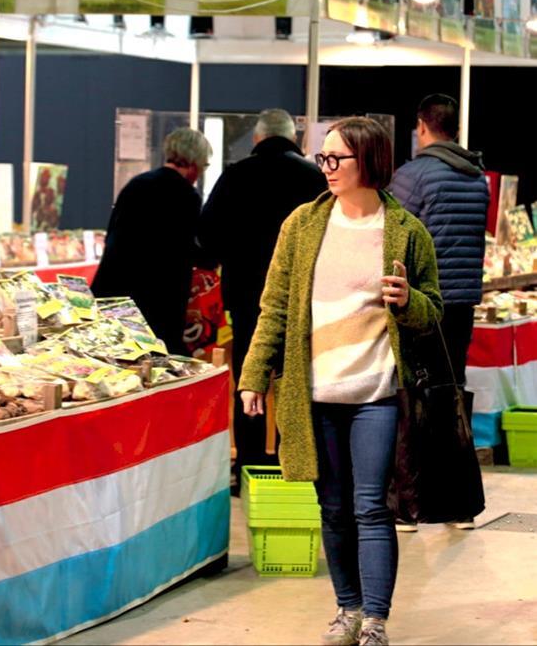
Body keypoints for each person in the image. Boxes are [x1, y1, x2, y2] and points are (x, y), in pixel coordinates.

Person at [238, 117, 442, 646]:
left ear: (369, 161)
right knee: (331, 506)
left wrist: (408, 302)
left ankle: (375, 619)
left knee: (371, 505)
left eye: (336, 159)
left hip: (376, 392)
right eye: (322, 158)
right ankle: (346, 609)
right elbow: (275, 306)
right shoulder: (302, 225)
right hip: (314, 394)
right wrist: (254, 374)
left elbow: (433, 309)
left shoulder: (406, 231)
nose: (325, 168)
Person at [198, 109, 326, 489]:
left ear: (257, 139)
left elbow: (207, 235)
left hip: (246, 295)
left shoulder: (236, 175)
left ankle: (249, 465)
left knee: (250, 378)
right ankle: (295, 467)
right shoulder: (312, 177)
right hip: (300, 299)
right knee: (296, 381)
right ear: (296, 140)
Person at [389, 94, 489, 532]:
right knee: (450, 396)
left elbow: (393, 233)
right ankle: (459, 506)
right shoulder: (476, 177)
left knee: (412, 397)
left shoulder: (414, 176)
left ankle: (407, 507)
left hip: (423, 303)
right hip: (463, 301)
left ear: (422, 127)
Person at [92, 127, 212, 355]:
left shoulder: (136, 184)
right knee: (156, 362)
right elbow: (187, 248)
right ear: (194, 163)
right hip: (159, 296)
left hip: (116, 288)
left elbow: (112, 235)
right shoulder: (187, 196)